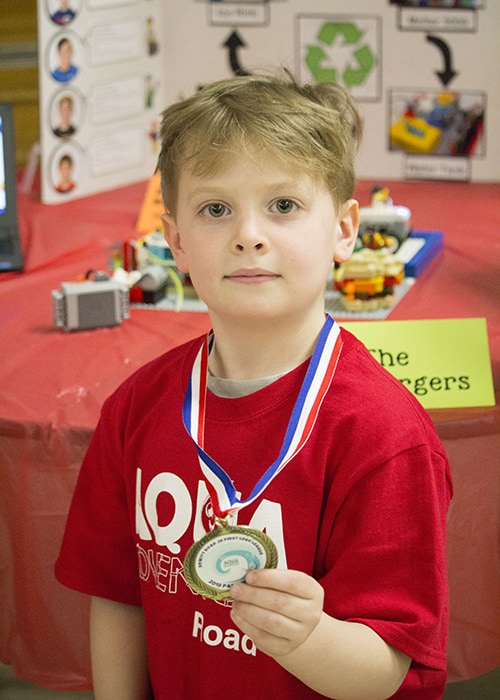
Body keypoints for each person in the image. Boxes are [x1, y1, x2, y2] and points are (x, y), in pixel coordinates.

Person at [55, 72, 452, 699]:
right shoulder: (137, 407)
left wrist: (310, 638)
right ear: (176, 241)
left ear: (346, 231)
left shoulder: (384, 434)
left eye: (284, 206)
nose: (248, 234)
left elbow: (387, 671)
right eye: (216, 209)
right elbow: (119, 595)